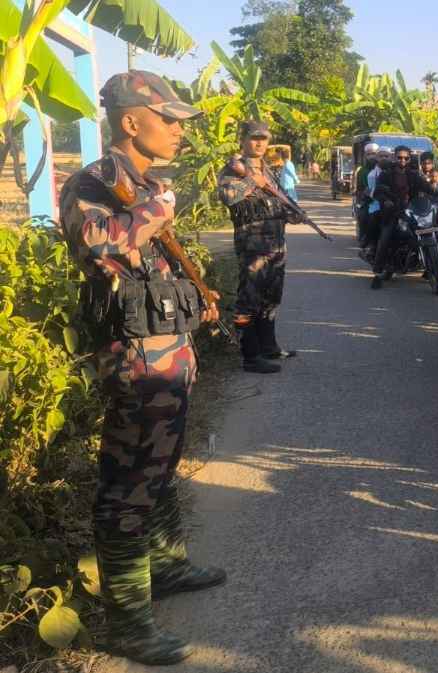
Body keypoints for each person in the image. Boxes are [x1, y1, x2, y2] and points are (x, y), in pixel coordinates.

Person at [57, 70, 225, 666]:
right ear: (131, 122)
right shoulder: (94, 183)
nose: (179, 131)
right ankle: (127, 623)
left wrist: (195, 300)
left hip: (167, 350)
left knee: (160, 466)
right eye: (169, 119)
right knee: (127, 487)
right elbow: (99, 244)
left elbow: (154, 268)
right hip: (135, 358)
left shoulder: (144, 184)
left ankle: (168, 567)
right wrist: (158, 207)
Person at [218, 120, 299, 374]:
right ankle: (251, 356)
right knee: (249, 300)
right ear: (242, 139)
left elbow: (278, 200)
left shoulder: (268, 169)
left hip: (276, 245)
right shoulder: (233, 169)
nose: (260, 143)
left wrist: (292, 212)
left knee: (271, 298)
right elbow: (228, 198)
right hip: (253, 247)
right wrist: (253, 180)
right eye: (254, 138)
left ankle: (269, 347)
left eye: (264, 139)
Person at [371, 145, 437, 289]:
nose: (402, 160)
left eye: (406, 158)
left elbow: (427, 188)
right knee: (385, 237)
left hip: (412, 212)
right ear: (394, 157)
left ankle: (429, 264)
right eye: (399, 157)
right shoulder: (386, 174)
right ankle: (378, 272)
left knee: (430, 228)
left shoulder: (414, 175)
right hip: (393, 212)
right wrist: (385, 201)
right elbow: (378, 192)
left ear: (409, 159)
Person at [354, 142, 380, 245]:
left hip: (383, 199)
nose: (372, 156)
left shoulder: (384, 168)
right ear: (365, 156)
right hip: (368, 200)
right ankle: (364, 237)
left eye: (374, 153)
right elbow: (360, 188)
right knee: (363, 216)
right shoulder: (362, 171)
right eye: (369, 154)